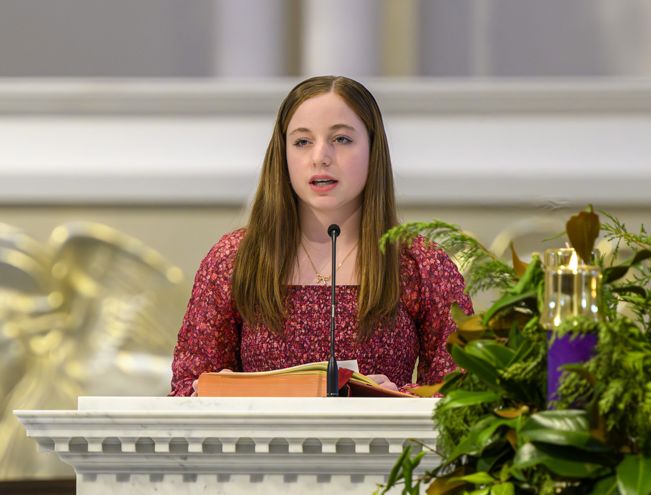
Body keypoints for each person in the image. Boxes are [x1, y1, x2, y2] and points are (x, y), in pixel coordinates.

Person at [169, 76, 473, 397]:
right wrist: (209, 393)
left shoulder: (419, 261)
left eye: (341, 139)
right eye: (302, 142)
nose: (320, 157)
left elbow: (466, 390)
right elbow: (185, 387)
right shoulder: (235, 257)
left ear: (373, 149)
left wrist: (398, 398)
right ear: (282, 154)